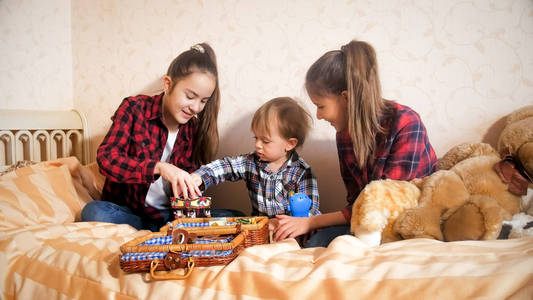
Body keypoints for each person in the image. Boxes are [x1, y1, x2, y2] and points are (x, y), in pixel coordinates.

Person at [272, 40, 438, 247]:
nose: (318, 115)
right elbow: (357, 203)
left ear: (346, 98)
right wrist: (308, 225)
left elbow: (385, 204)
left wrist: (311, 222)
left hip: (410, 221)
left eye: (320, 106)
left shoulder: (406, 123)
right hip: (368, 222)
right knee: (314, 244)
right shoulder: (345, 134)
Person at [81, 43, 224, 231]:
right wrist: (159, 168)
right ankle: (162, 232)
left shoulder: (194, 129)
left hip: (171, 217)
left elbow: (191, 183)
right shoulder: (134, 109)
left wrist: (190, 191)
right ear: (168, 84)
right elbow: (107, 158)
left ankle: (168, 231)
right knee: (94, 212)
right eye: (190, 96)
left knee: (235, 217)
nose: (196, 108)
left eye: (203, 101)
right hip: (131, 213)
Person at [190, 97, 321, 228]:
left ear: (290, 144)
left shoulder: (302, 173)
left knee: (312, 237)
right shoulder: (251, 162)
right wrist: (200, 176)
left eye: (265, 141)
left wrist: (285, 223)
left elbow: (310, 212)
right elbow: (227, 166)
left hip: (289, 230)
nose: (257, 145)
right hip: (259, 230)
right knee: (233, 217)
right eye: (256, 138)